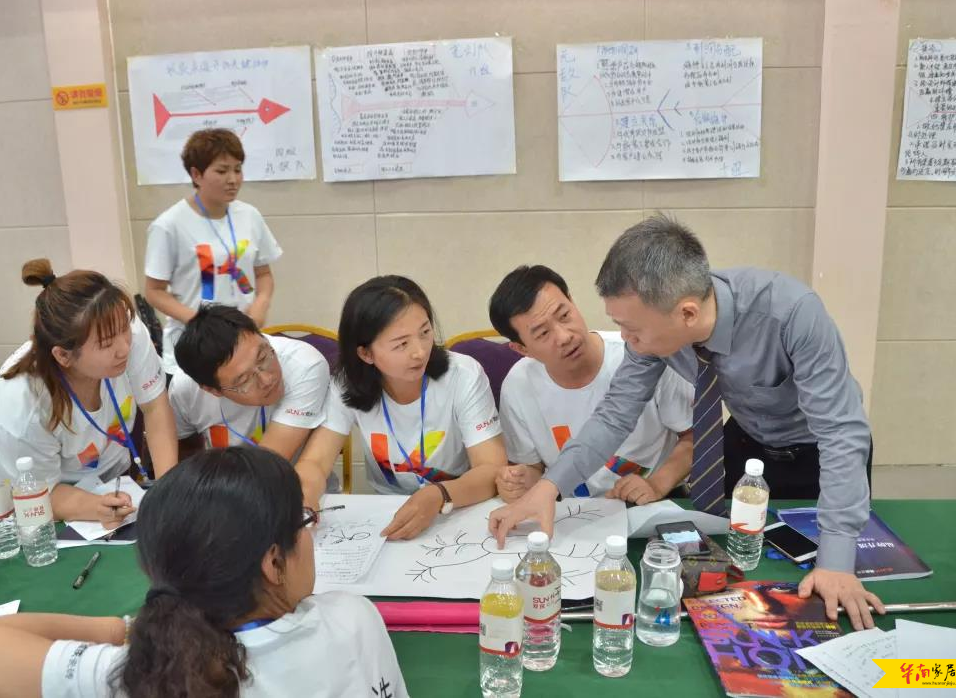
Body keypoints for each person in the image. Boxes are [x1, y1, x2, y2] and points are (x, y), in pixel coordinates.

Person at [488, 214, 885, 630]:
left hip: (819, 453)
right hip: (746, 444)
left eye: (632, 330)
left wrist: (836, 563)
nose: (626, 340)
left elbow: (840, 432)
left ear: (688, 314)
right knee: (734, 571)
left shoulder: (790, 314)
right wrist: (549, 487)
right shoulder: (654, 329)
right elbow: (615, 413)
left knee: (813, 585)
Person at [0, 445, 409, 698]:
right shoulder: (352, 619)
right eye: (302, 524)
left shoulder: (141, 677)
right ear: (273, 562)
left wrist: (122, 631)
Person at [295, 275, 506, 540]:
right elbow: (315, 462)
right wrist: (303, 506)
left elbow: (491, 468)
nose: (420, 352)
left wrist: (440, 494)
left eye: (425, 333)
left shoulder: (462, 375)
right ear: (366, 353)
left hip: (457, 508)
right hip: (386, 513)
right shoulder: (346, 384)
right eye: (401, 344)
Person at [0, 259, 177, 528]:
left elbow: (155, 407)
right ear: (64, 355)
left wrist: (168, 492)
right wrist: (96, 507)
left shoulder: (125, 331)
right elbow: (38, 492)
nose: (124, 348)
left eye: (124, 330)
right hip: (40, 500)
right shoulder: (22, 404)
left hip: (111, 481)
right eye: (106, 343)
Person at [488, 264, 694, 502]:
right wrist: (520, 481)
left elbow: (694, 436)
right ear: (522, 349)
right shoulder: (518, 384)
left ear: (572, 301)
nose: (565, 337)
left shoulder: (642, 355)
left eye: (564, 315)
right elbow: (534, 469)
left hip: (654, 502)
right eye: (543, 333)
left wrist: (657, 484)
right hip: (574, 513)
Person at [143, 128, 282, 374]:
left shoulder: (249, 216)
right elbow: (154, 292)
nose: (233, 179)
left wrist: (261, 305)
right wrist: (200, 322)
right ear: (196, 174)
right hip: (193, 347)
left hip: (243, 344)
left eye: (237, 169)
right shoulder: (169, 225)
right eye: (222, 171)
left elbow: (263, 274)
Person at [170, 304, 329, 465]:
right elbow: (183, 450)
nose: (267, 380)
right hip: (221, 478)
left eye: (263, 358)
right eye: (244, 380)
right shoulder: (185, 389)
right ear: (212, 390)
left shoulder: (304, 365)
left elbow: (267, 467)